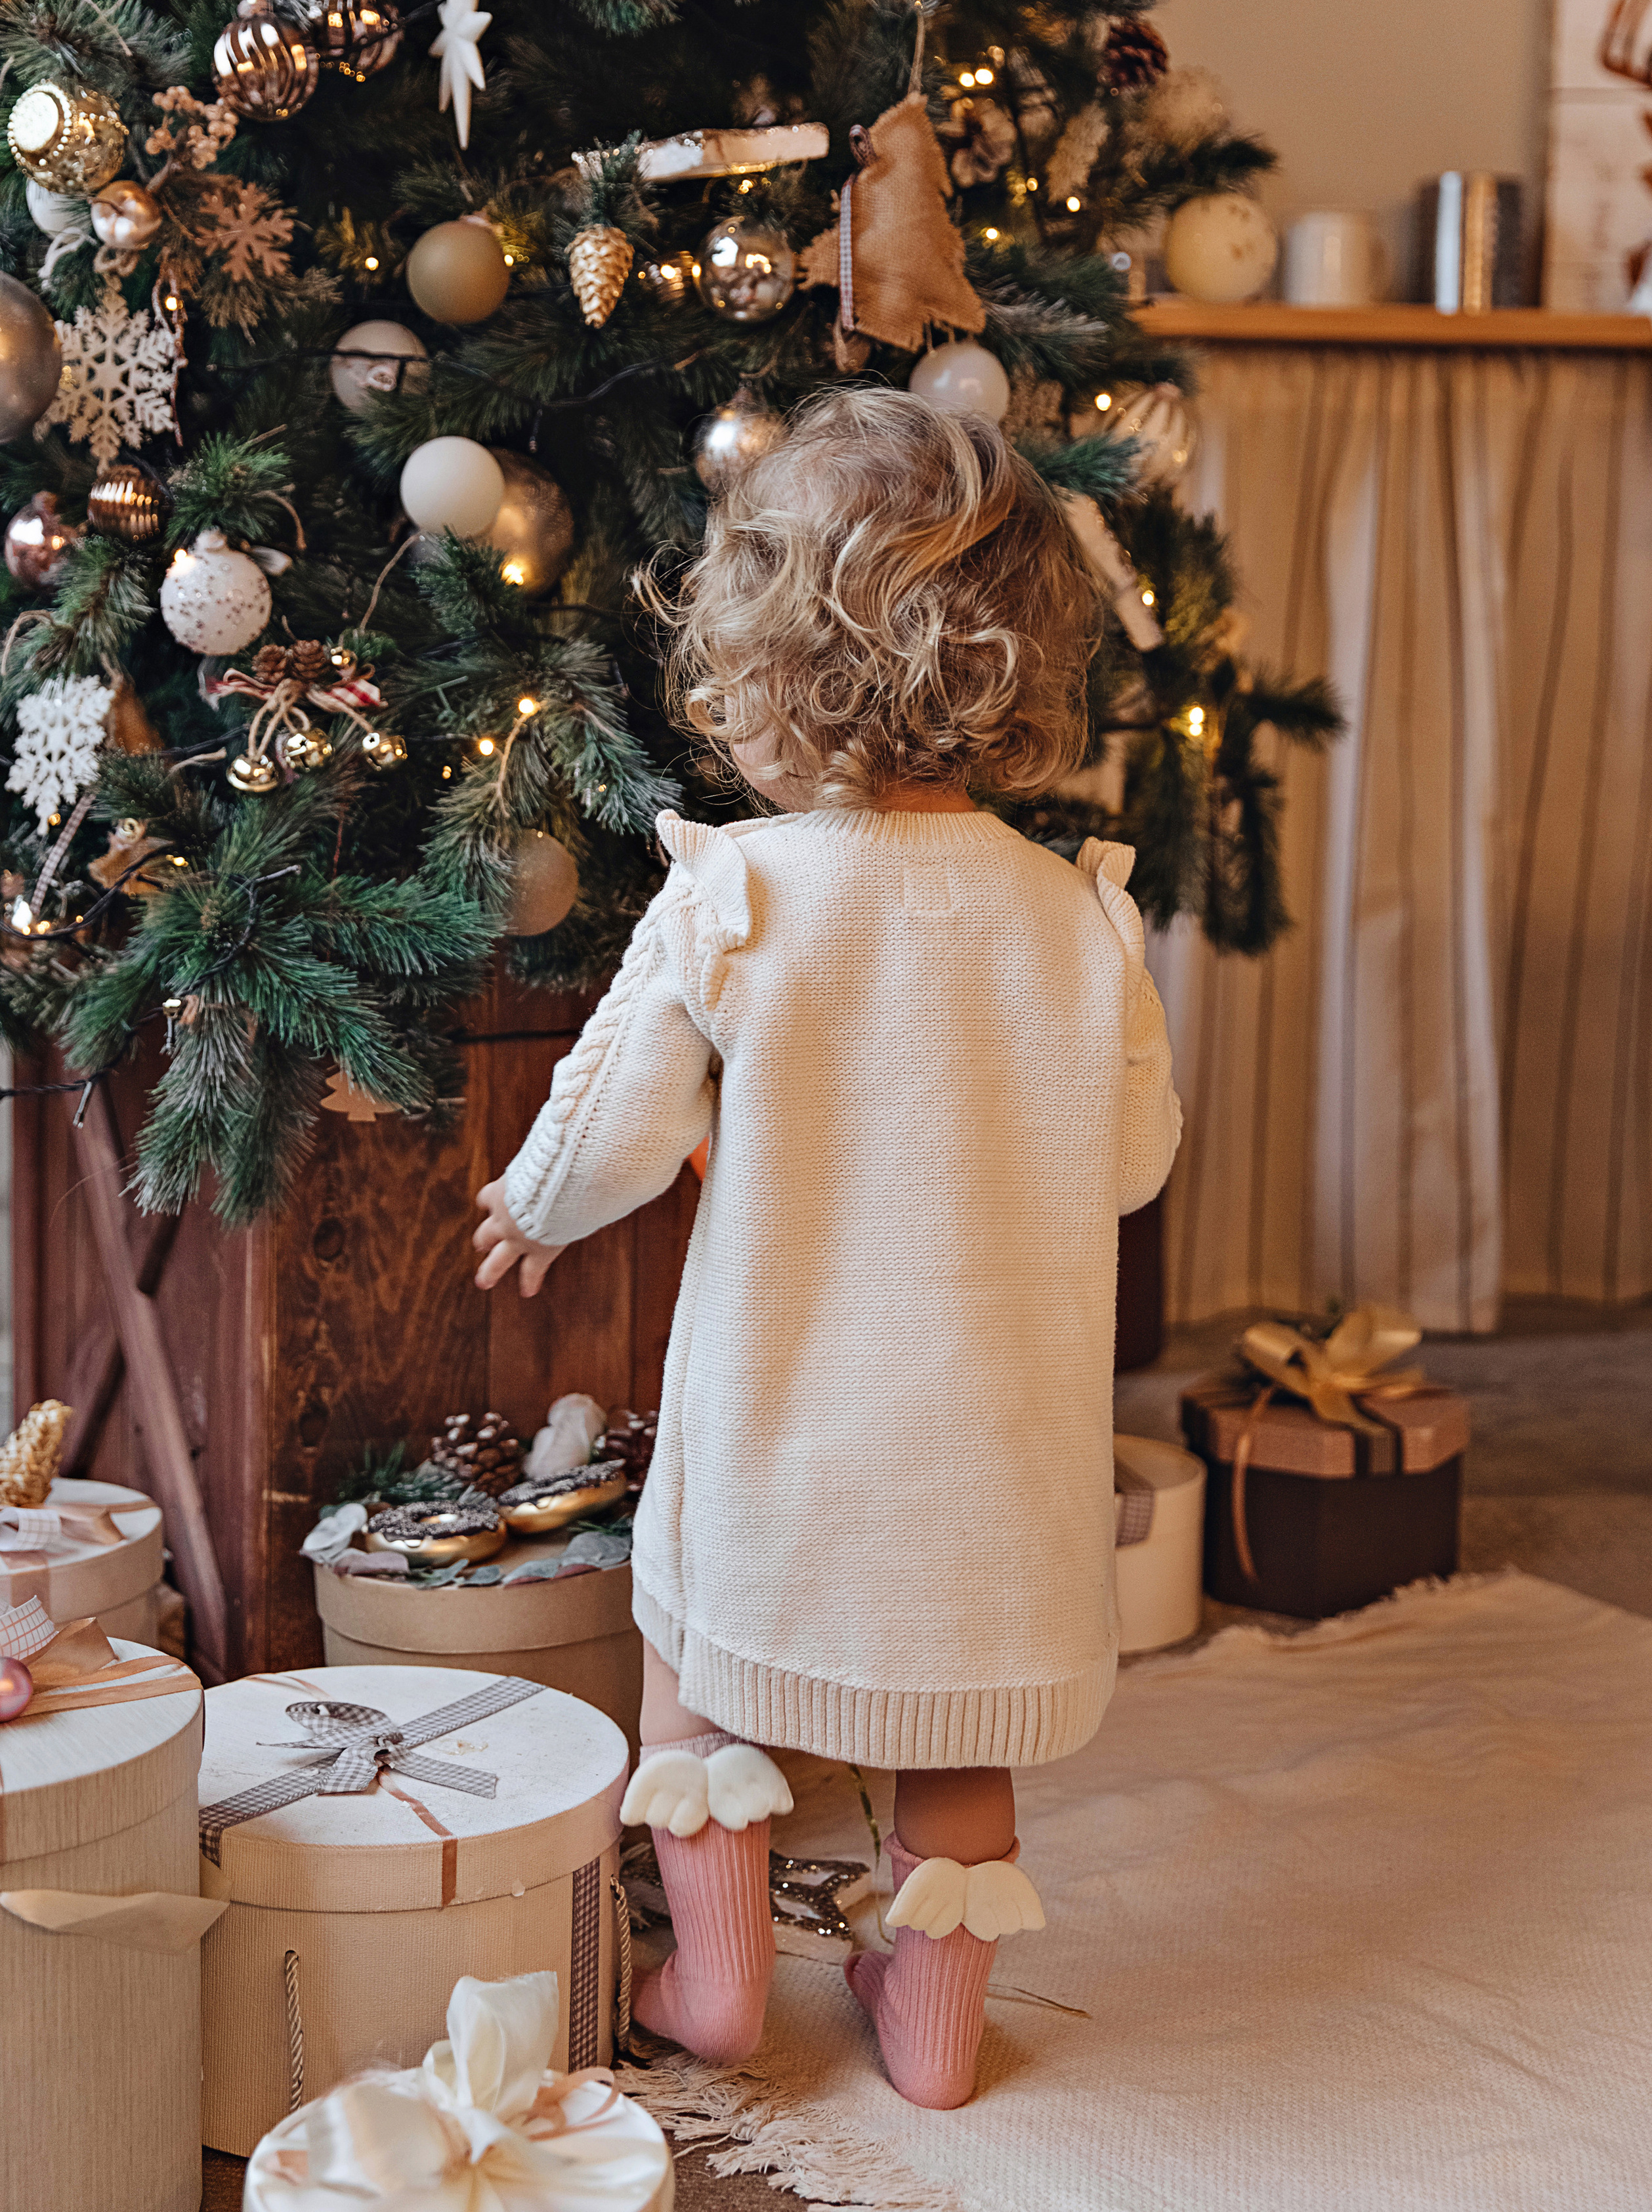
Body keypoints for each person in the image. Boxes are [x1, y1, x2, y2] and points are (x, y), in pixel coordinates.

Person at [473, 387, 1180, 2110]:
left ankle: (717, 1990)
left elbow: (616, 1122)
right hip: (993, 1473)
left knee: (699, 1676)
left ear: (771, 671)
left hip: (779, 1441)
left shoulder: (743, 890)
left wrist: (533, 1206)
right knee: (961, 1748)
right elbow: (1131, 1166)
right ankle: (934, 2037)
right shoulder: (1074, 913)